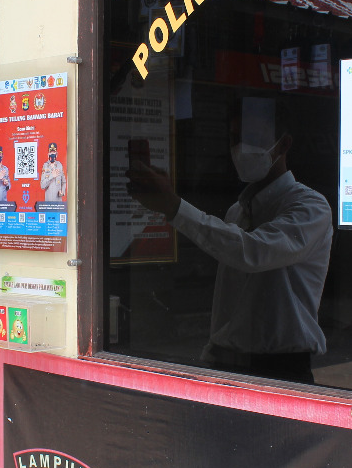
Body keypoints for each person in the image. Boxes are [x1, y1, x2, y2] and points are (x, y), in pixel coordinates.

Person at [127, 97, 333, 383]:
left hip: (282, 369)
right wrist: (215, 350)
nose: (241, 149)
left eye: (253, 139)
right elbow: (230, 299)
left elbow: (253, 252)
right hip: (228, 362)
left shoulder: (310, 207)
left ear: (283, 144)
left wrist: (174, 207)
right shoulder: (237, 212)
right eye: (235, 138)